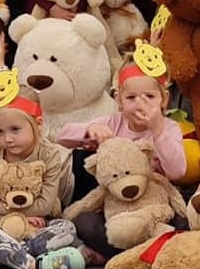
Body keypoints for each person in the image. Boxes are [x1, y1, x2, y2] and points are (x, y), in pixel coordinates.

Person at [57, 57, 186, 263]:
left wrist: (157, 130)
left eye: (150, 97)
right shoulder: (112, 122)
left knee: (182, 222)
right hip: (115, 210)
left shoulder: (169, 128)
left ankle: (135, 255)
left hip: (153, 208)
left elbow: (177, 172)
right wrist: (90, 130)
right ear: (119, 100)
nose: (140, 104)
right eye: (131, 97)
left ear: (164, 99)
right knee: (84, 223)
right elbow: (62, 137)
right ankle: (137, 257)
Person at [0, 92, 84, 269]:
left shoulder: (49, 154)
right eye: (0, 131)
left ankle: (1, 257)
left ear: (38, 124)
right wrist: (13, 219)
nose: (7, 139)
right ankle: (34, 263)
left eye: (15, 129)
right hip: (2, 225)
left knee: (67, 228)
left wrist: (2, 208)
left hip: (36, 227)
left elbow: (46, 205)